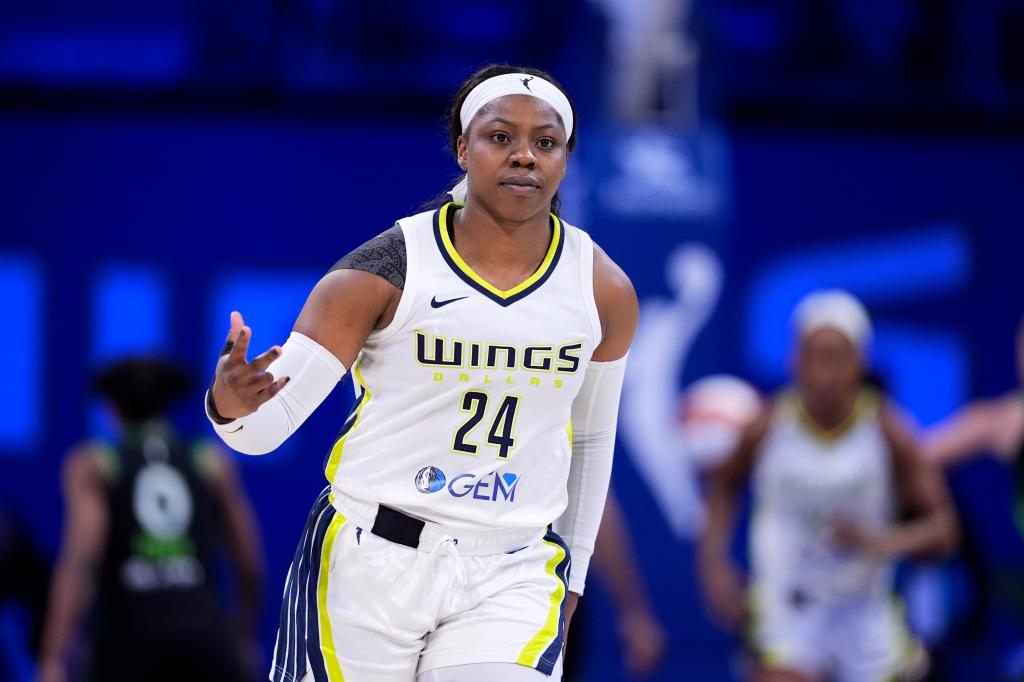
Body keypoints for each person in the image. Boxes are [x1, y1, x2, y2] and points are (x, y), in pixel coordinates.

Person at [205, 64, 638, 682]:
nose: (523, 156)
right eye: (500, 137)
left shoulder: (602, 288)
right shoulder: (385, 267)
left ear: (565, 159)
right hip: (369, 562)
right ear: (464, 148)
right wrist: (229, 404)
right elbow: (260, 433)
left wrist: (573, 582)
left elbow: (591, 444)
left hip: (512, 571)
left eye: (545, 142)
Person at [698, 290, 958, 682]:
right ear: (793, 360)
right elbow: (723, 487)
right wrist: (714, 563)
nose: (825, 373)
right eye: (813, 356)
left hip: (865, 614)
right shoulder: (767, 427)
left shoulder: (889, 432)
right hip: (788, 609)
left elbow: (944, 530)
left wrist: (882, 541)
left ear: (862, 361)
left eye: (837, 357)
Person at [37, 358, 264, 682]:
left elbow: (82, 559)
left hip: (127, 641)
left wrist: (53, 657)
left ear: (113, 409)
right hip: (205, 641)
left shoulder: (95, 466)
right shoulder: (210, 462)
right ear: (166, 406)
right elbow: (249, 562)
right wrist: (244, 638)